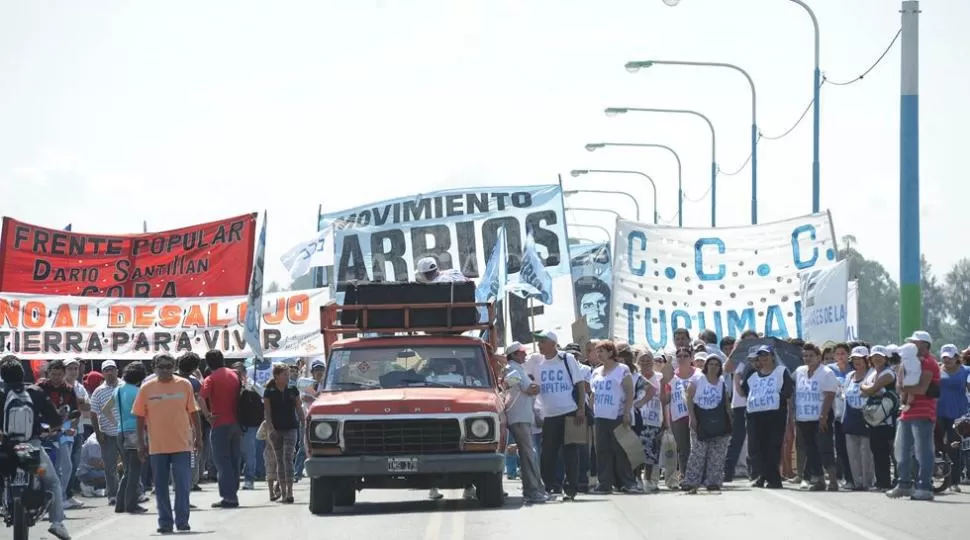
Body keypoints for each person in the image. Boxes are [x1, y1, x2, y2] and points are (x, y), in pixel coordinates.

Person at [0, 355, 72, 540]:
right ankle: (57, 523)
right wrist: (56, 422)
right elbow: (54, 420)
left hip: (6, 450)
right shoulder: (35, 392)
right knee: (52, 481)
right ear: (23, 372)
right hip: (30, 450)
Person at [133, 353, 203, 533]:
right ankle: (165, 522)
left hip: (182, 445)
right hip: (157, 446)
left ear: (174, 367)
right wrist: (141, 443)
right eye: (161, 367)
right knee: (161, 487)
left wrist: (199, 436)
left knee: (182, 485)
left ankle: (182, 521)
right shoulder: (146, 388)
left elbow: (193, 412)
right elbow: (140, 417)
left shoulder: (184, 384)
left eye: (168, 367)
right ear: (154, 367)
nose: (165, 370)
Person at [527, 330, 586, 501]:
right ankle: (551, 486)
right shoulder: (537, 363)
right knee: (548, 453)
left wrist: (581, 407)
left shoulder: (567, 359)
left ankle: (571, 489)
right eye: (539, 343)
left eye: (542, 342)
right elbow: (536, 386)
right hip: (549, 415)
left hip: (569, 412)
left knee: (570, 452)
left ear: (553, 343)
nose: (539, 345)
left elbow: (580, 383)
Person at [887, 338, 940, 501]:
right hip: (906, 412)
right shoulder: (907, 362)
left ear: (925, 345)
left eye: (915, 342)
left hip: (924, 412)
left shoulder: (930, 363)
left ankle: (924, 487)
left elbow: (921, 389)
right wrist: (903, 385)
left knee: (923, 452)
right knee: (901, 450)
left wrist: (904, 387)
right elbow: (899, 386)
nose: (912, 345)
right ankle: (904, 484)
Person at [740, 345, 794, 489]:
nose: (763, 359)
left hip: (775, 415)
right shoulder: (752, 374)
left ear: (772, 357)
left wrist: (777, 398)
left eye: (766, 355)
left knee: (772, 446)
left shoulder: (781, 372)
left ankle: (774, 478)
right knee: (757, 447)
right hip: (755, 415)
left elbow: (788, 390)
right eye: (761, 356)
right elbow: (744, 391)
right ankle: (761, 476)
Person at [589, 340, 639, 493]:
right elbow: (593, 392)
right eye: (597, 352)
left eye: (601, 351)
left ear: (611, 353)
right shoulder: (596, 371)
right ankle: (604, 483)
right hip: (600, 416)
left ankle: (628, 482)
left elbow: (630, 392)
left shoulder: (622, 369)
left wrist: (626, 412)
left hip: (617, 415)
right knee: (602, 450)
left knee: (621, 450)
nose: (598, 354)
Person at [502, 342, 550, 503]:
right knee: (529, 454)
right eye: (522, 352)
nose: (525, 355)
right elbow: (528, 389)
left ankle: (534, 488)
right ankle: (532, 490)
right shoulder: (512, 369)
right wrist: (532, 387)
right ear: (514, 354)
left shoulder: (517, 369)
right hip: (518, 416)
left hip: (523, 415)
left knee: (528, 453)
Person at [37, 358, 85, 509]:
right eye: (53, 374)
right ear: (48, 373)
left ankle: (61, 497)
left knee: (67, 466)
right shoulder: (40, 387)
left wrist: (72, 428)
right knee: (41, 467)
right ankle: (38, 496)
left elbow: (75, 412)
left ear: (63, 374)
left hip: (61, 430)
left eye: (59, 374)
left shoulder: (69, 390)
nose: (56, 378)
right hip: (41, 431)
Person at [792, 343, 840, 491]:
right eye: (805, 356)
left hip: (820, 417)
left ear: (819, 357)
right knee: (811, 450)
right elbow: (792, 386)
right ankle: (819, 480)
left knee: (824, 448)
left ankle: (833, 481)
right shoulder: (800, 371)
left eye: (811, 356)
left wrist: (823, 415)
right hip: (803, 417)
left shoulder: (826, 372)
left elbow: (830, 395)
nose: (808, 358)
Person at [683, 355, 733, 492]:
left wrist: (730, 420)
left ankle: (713, 481)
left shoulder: (722, 381)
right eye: (711, 364)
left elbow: (726, 403)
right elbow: (689, 397)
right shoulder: (698, 378)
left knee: (717, 454)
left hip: (718, 419)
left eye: (717, 364)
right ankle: (691, 481)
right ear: (706, 366)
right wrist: (692, 417)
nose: (714, 367)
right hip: (700, 419)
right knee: (698, 452)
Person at [199, 350, 242, 509]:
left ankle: (229, 496)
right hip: (236, 422)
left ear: (208, 363)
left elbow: (200, 398)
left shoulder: (210, 378)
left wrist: (207, 415)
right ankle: (233, 492)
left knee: (222, 462)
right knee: (234, 459)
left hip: (219, 423)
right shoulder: (234, 374)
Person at [263, 363, 304, 504]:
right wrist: (270, 428)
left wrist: (304, 423)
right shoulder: (269, 391)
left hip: (291, 428)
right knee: (279, 460)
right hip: (276, 429)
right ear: (276, 376)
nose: (287, 377)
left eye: (288, 374)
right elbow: (267, 412)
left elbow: (299, 408)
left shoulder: (292, 390)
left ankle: (290, 492)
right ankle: (283, 491)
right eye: (285, 374)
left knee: (288, 458)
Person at [114, 362, 149, 514]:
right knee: (135, 471)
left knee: (128, 471)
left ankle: (120, 504)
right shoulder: (138, 391)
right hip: (134, 431)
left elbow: (108, 409)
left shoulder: (117, 390)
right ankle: (131, 504)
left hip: (120, 431)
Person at [89, 359, 121, 504]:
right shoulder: (98, 391)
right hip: (107, 434)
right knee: (110, 467)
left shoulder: (125, 387)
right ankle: (112, 495)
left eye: (112, 369)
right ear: (103, 373)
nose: (109, 372)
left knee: (131, 464)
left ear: (117, 371)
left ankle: (135, 492)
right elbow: (93, 413)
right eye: (106, 370)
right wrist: (98, 432)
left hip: (125, 432)